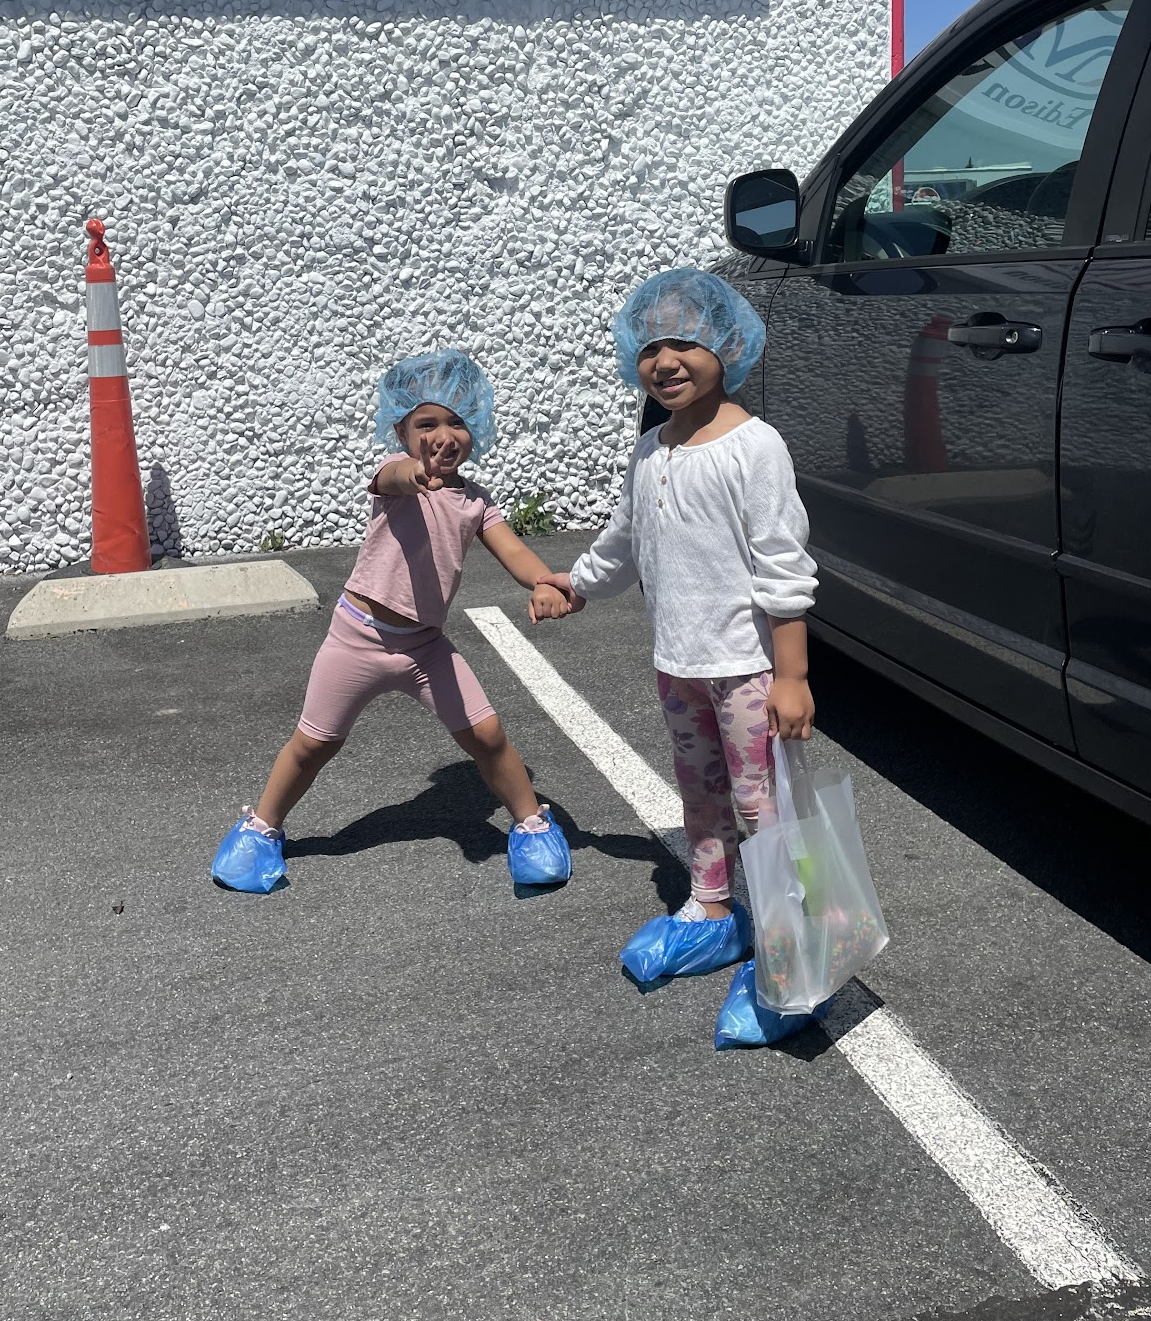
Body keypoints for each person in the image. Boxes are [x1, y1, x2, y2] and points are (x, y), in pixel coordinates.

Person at [541, 267, 820, 1045]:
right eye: (649, 347)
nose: (664, 361)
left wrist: (792, 675)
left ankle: (792, 950)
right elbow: (623, 541)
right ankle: (711, 906)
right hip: (679, 667)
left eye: (685, 344)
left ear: (727, 348)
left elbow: (783, 564)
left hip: (747, 671)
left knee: (764, 811)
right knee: (700, 798)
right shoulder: (650, 450)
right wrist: (576, 586)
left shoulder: (754, 446)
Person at [211, 349, 574, 894]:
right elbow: (396, 476)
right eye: (426, 424)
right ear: (400, 431)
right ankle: (261, 829)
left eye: (457, 422)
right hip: (356, 638)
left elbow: (514, 551)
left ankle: (531, 826)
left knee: (488, 735)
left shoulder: (476, 502)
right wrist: (415, 472)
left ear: (477, 430)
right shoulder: (395, 478)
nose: (443, 436)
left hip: (426, 648)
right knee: (314, 744)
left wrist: (543, 582)